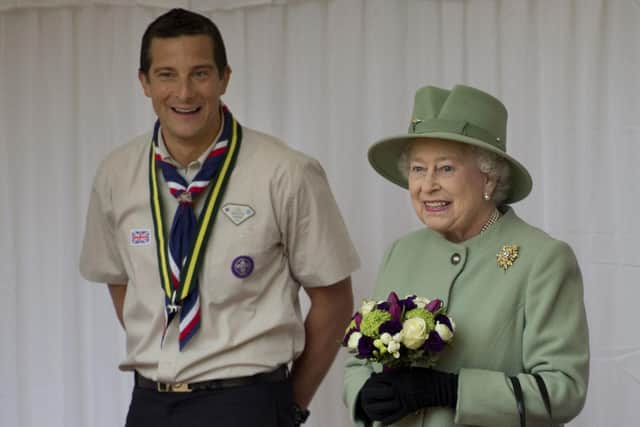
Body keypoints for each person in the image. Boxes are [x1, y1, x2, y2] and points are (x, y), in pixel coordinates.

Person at [79, 8, 359, 427]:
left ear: (225, 77)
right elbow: (120, 281)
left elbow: (334, 301)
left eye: (200, 73)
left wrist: (289, 406)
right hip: (150, 404)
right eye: (167, 74)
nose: (185, 93)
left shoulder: (285, 172)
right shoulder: (116, 175)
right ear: (145, 82)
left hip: (248, 403)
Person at [343, 84, 589, 426]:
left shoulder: (543, 260)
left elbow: (564, 389)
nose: (427, 185)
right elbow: (358, 362)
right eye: (418, 168)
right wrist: (364, 396)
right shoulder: (402, 252)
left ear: (489, 178)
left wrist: (451, 390)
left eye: (445, 168)